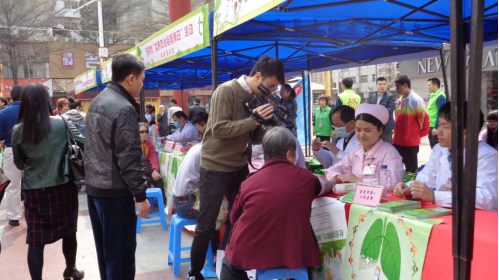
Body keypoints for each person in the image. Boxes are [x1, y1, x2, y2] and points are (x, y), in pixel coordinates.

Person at [188, 56, 282, 280]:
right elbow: (219, 129)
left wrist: (266, 124)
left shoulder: (257, 97)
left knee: (240, 220)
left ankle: (227, 267)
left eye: (274, 88)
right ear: (257, 76)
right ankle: (195, 273)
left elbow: (253, 136)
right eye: (269, 85)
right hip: (214, 166)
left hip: (239, 165)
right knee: (207, 224)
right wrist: (254, 121)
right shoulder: (226, 90)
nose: (270, 91)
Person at [221, 128, 322, 280]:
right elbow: (320, 188)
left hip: (251, 251)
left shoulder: (249, 182)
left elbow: (234, 217)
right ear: (290, 154)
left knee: (230, 266)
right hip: (294, 252)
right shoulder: (307, 178)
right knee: (307, 267)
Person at [84, 53, 150, 280]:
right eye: (141, 79)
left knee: (107, 256)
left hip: (96, 190)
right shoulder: (123, 107)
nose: (142, 84)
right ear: (131, 78)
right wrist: (140, 196)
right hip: (114, 194)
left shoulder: (99, 99)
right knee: (120, 258)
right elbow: (129, 157)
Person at [12, 83, 85, 280]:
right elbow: (82, 141)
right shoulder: (61, 122)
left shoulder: (18, 130)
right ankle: (70, 269)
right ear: (46, 101)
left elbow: (19, 164)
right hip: (63, 185)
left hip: (34, 190)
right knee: (69, 231)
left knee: (36, 240)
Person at [395, 102, 498, 212]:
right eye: (439, 125)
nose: (439, 132)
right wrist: (409, 188)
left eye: (445, 126)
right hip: (445, 213)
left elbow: (486, 198)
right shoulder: (438, 150)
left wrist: (435, 196)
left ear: (465, 133)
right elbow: (426, 179)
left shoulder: (487, 156)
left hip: (476, 221)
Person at [326, 104, 404, 191]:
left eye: (367, 130)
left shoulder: (389, 153)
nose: (361, 135)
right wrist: (339, 176)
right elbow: (331, 170)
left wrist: (359, 181)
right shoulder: (356, 152)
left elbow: (393, 183)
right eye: (358, 130)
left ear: (380, 130)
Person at [393, 75, 430, 173]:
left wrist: (416, 135)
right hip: (398, 141)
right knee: (396, 169)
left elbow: (424, 121)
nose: (396, 89)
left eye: (398, 87)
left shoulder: (415, 100)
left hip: (410, 143)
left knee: (411, 171)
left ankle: (411, 187)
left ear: (405, 85)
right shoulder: (399, 101)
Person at [0, 85, 23, 227]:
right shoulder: (32, 112)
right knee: (33, 183)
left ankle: (14, 217)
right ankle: (35, 212)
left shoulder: (3, 113)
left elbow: (0, 135)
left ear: (11, 96)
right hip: (33, 150)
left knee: (13, 185)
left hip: (10, 150)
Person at [138, 123, 166, 203]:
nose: (144, 134)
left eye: (146, 131)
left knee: (158, 178)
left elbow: (153, 156)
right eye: (141, 132)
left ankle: (162, 204)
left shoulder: (148, 143)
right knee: (146, 181)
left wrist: (155, 170)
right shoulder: (133, 143)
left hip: (147, 169)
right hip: (138, 170)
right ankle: (145, 204)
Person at [370, 77, 396, 143]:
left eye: (384, 84)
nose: (382, 86)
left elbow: (391, 109)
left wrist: (379, 111)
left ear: (386, 85)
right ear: (376, 86)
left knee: (386, 146)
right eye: (380, 84)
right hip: (375, 126)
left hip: (386, 126)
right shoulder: (373, 96)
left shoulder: (390, 96)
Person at [426, 78, 447, 148]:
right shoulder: (433, 95)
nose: (428, 87)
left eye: (429, 85)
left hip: (435, 126)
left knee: (437, 147)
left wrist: (436, 127)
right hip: (430, 125)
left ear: (435, 85)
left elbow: (441, 112)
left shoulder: (440, 96)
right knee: (433, 148)